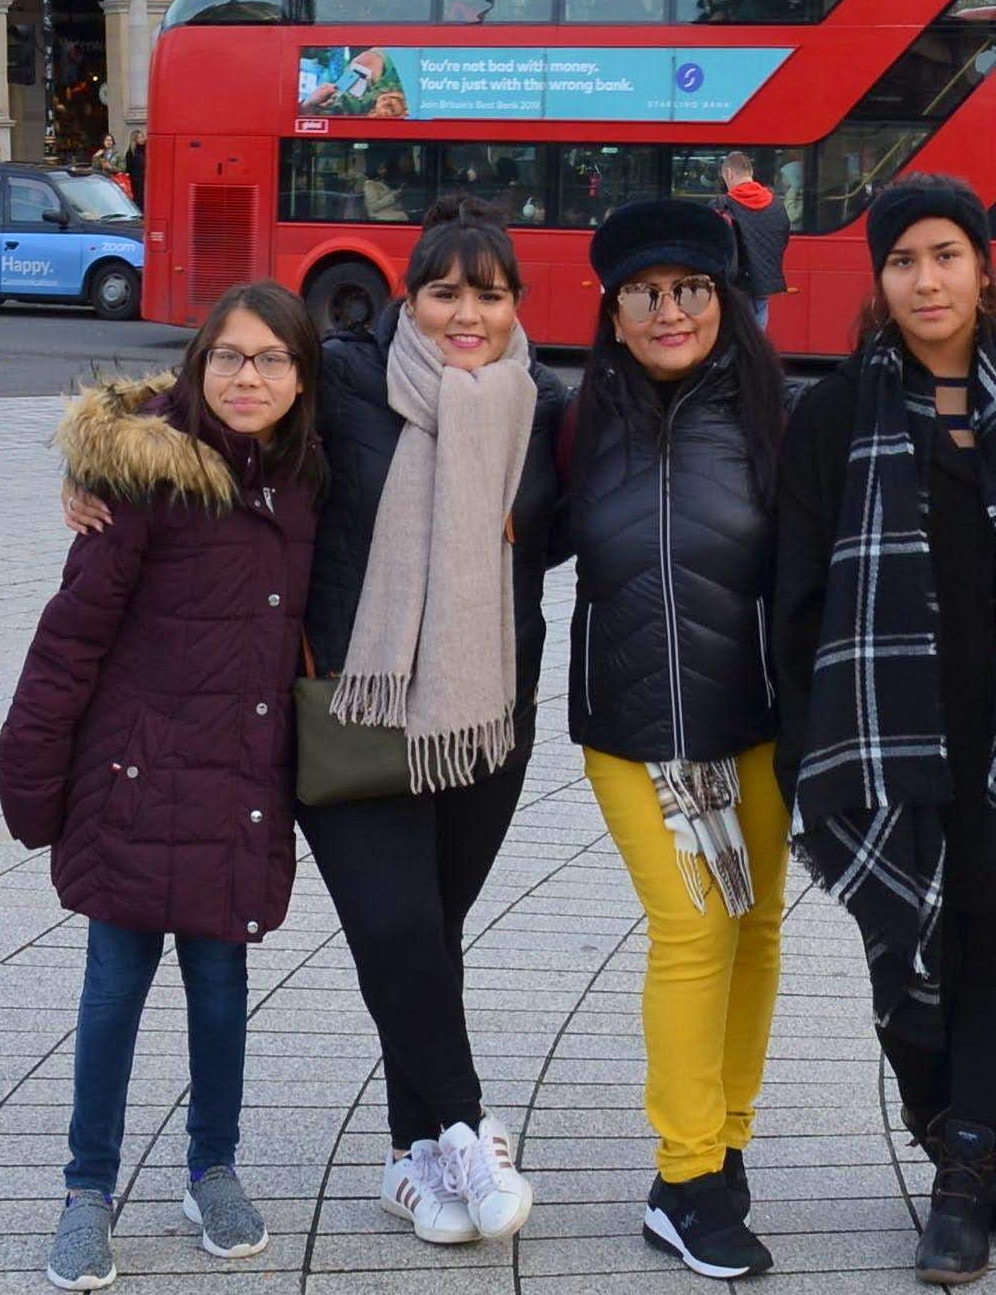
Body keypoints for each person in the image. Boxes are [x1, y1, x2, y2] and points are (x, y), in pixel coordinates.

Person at [772, 177, 996, 1287]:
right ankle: (951, 1126)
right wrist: (804, 749)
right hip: (881, 742)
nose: (925, 279)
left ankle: (963, 1180)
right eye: (901, 261)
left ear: (982, 268)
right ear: (878, 282)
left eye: (944, 255)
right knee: (903, 957)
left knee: (995, 943)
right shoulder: (832, 415)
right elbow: (795, 595)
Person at [0, 282, 325, 1294]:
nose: (247, 376)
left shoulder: (306, 477)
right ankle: (86, 1188)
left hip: (239, 782)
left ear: (300, 377)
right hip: (135, 781)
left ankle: (210, 1167)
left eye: (271, 358)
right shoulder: (142, 478)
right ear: (196, 366)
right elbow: (72, 635)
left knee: (221, 991)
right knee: (113, 993)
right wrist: (32, 769)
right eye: (227, 355)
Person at [297, 198, 565, 1245]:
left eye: (488, 292)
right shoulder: (341, 380)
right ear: (407, 297)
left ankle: (411, 1164)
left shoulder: (545, 404)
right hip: (354, 701)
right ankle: (465, 1130)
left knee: (428, 936)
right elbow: (208, 408)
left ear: (514, 303)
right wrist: (101, 474)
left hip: (484, 711)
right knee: (396, 925)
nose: (467, 311)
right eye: (444, 289)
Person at [565, 198, 791, 1279]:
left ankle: (728, 1141)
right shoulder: (568, 420)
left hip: (750, 725)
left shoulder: (771, 415)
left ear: (723, 301)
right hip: (636, 731)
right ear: (611, 313)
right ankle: (685, 1175)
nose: (667, 310)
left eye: (689, 288)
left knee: (754, 931)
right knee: (694, 930)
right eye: (643, 292)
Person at [712, 150, 791, 329]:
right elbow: (784, 235)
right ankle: (756, 355)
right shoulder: (776, 204)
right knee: (758, 329)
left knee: (737, 331)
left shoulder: (721, 205)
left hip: (734, 282)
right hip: (764, 281)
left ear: (729, 174)